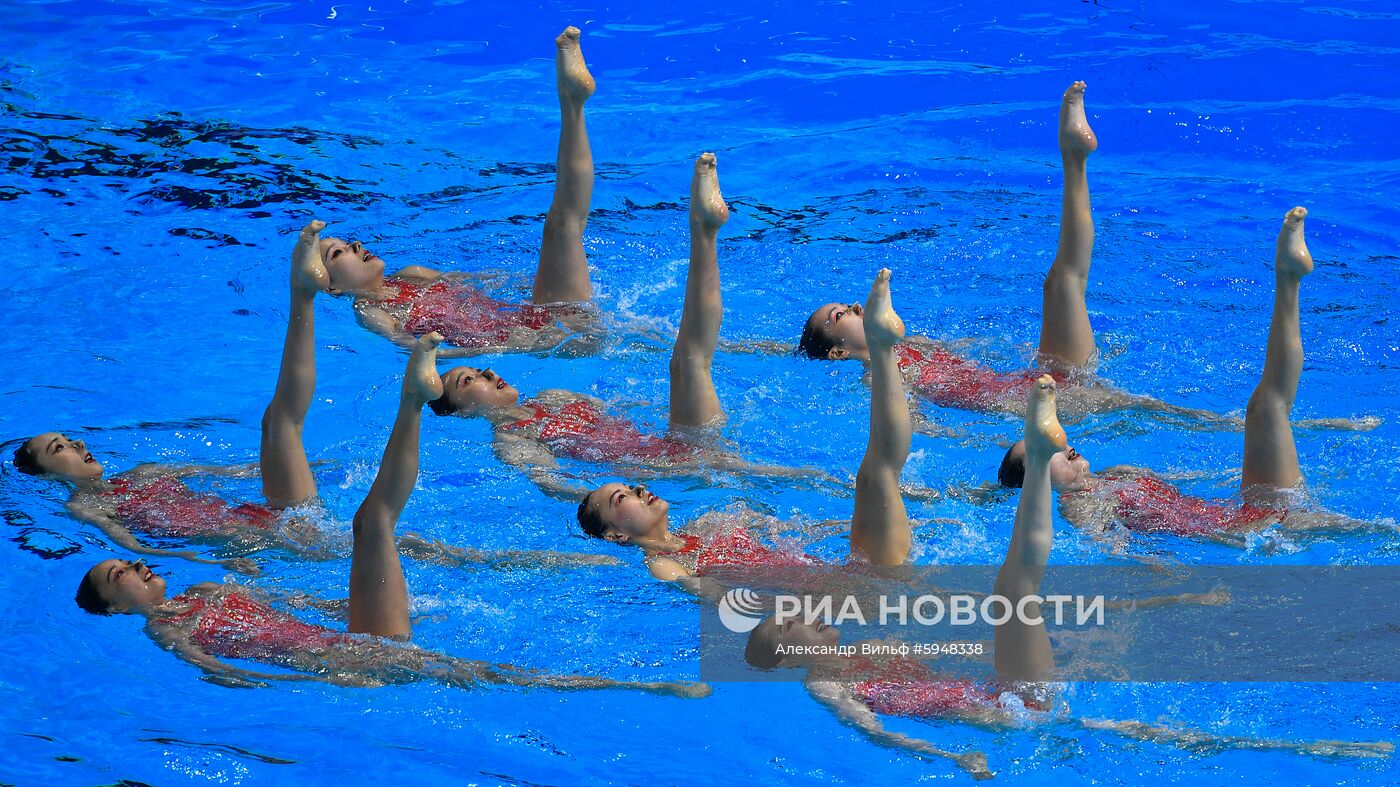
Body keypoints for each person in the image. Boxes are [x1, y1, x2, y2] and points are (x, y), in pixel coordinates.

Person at [744, 375, 1392, 777]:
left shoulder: (869, 647)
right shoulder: (825, 680)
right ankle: (1037, 441)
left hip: (1008, 697)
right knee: (1013, 593)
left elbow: (957, 652)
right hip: (1004, 714)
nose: (809, 615)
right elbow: (873, 730)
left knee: (1030, 615)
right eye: (793, 620)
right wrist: (951, 758)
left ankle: (1335, 751)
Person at [70, 334, 705, 698]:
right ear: (118, 608)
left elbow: (298, 608)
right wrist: (285, 682)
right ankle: (643, 689)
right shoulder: (163, 628)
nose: (132, 563)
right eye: (117, 575)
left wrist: (340, 610)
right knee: (480, 671)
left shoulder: (208, 590)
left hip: (346, 632)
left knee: (394, 543)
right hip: (346, 658)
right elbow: (214, 668)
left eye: (123, 561)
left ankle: (648, 687)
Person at [13, 221, 613, 571]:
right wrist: (221, 561)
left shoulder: (142, 471)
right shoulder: (86, 509)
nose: (78, 446)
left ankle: (550, 561)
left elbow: (230, 471)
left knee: (288, 433)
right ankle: (552, 561)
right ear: (46, 473)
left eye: (68, 439)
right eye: (59, 448)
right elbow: (140, 548)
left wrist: (305, 468)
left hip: (270, 516)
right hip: (267, 537)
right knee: (381, 522)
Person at [795, 83, 1212, 422]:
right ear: (838, 353)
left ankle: (1074, 156)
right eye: (840, 315)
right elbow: (913, 430)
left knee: (1061, 285)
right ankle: (1227, 424)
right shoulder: (879, 376)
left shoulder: (910, 346)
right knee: (1154, 409)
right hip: (1038, 404)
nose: (854, 305)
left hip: (1036, 376)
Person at [428, 153, 820, 497]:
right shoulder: (511, 438)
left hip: (674, 440)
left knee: (689, 363)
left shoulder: (553, 396)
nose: (489, 371)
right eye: (469, 380)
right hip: (671, 468)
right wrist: (616, 507)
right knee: (689, 366)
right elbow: (555, 485)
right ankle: (703, 233)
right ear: (461, 413)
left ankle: (705, 233)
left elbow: (624, 415)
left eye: (477, 368)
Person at [998, 208, 1384, 545]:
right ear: (1034, 486)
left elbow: (1191, 483)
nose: (1056, 440)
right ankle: (1287, 280)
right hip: (1251, 532)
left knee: (1266, 409)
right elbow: (1113, 553)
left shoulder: (1117, 473)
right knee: (1270, 410)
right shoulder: (1079, 506)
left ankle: (1288, 280)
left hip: (1248, 509)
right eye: (1040, 450)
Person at [576, 267, 915, 584]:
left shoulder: (706, 525)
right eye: (621, 498)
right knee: (877, 475)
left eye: (630, 486)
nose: (638, 489)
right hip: (842, 601)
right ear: (616, 536)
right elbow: (717, 600)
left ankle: (883, 350)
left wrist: (863, 521)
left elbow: (803, 532)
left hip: (842, 579)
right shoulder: (662, 564)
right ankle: (882, 350)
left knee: (874, 479)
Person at [339, 27, 600, 358]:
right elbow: (420, 353)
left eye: (347, 243)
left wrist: (541, 280)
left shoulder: (413, 274)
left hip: (538, 317)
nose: (356, 245)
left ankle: (572, 103)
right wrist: (505, 349)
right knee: (563, 227)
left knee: (561, 227)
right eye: (339, 253)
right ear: (331, 286)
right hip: (543, 344)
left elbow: (492, 283)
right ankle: (571, 104)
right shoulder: (369, 312)